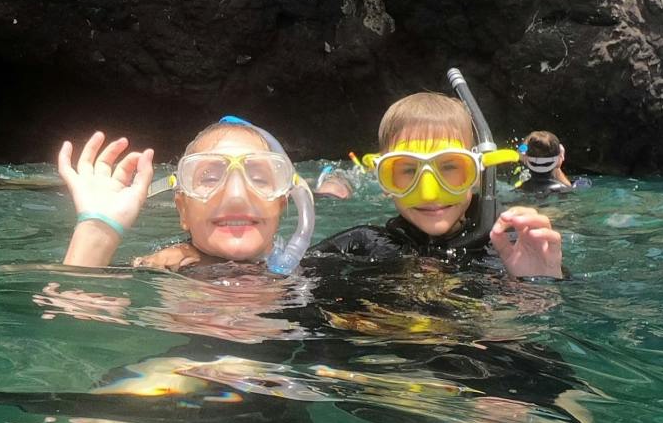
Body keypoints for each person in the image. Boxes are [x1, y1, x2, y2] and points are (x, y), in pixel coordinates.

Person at [314, 76, 565, 280]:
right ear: (385, 179)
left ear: (477, 174)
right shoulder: (359, 246)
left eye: (449, 167)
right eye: (408, 170)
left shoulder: (510, 247)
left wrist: (538, 284)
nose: (430, 193)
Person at [55, 118, 313, 274]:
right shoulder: (161, 271)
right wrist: (97, 231)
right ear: (183, 211)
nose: (237, 195)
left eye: (258, 178)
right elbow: (68, 333)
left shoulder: (328, 270)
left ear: (281, 204)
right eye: (210, 178)